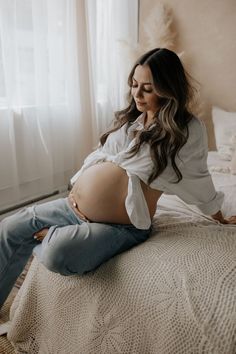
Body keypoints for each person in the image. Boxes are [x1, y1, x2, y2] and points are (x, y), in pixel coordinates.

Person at [0, 48, 236, 310]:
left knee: (57, 254)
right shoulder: (132, 121)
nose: (137, 94)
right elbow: (102, 155)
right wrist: (79, 186)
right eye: (134, 85)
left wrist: (218, 215)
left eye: (148, 88)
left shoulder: (187, 130)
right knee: (9, 227)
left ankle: (54, 236)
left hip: (122, 226)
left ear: (168, 87)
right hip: (72, 207)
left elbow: (198, 177)